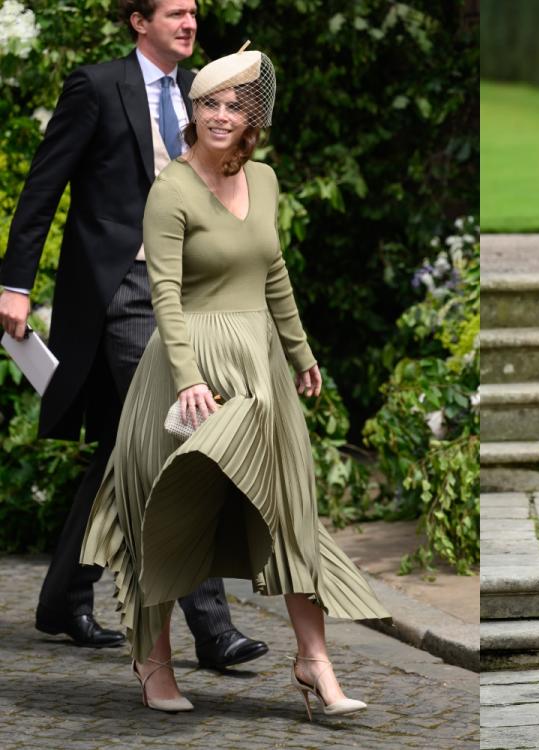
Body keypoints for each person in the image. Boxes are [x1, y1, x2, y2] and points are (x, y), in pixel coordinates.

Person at [79, 45, 389, 717]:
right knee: (165, 512)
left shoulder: (268, 179)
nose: (221, 115)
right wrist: (187, 377)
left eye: (235, 105)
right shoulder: (173, 187)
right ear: (193, 111)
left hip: (259, 368)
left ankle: (315, 664)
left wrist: (302, 355)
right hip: (185, 368)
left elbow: (274, 273)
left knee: (290, 512)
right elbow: (162, 292)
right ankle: (154, 661)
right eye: (209, 103)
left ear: (254, 117)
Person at [0, 0, 267, 668]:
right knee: (180, 433)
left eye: (195, 12)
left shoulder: (202, 94)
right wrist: (13, 283)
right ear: (137, 21)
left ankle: (63, 597)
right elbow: (44, 184)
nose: (189, 23)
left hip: (186, 291)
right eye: (174, 12)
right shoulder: (97, 85)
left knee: (123, 448)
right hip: (121, 291)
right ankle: (212, 628)